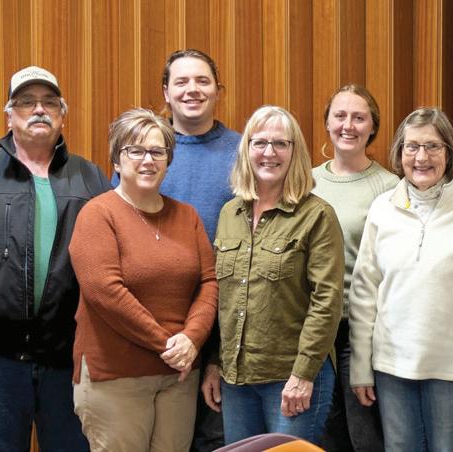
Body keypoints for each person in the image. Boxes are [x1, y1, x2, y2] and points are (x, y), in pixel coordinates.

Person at [349, 107, 453, 451]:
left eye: (433, 146)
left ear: (449, 152)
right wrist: (361, 367)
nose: (421, 157)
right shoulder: (382, 208)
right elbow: (364, 294)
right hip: (392, 369)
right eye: (412, 147)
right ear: (400, 153)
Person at [69, 108, 218, 451]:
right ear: (116, 160)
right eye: (135, 150)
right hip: (116, 375)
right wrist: (168, 345)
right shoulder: (97, 214)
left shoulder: (187, 216)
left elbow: (208, 283)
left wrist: (192, 339)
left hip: (178, 376)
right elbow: (105, 292)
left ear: (168, 160)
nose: (147, 160)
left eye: (157, 151)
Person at [0, 66, 110, 451]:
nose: (39, 109)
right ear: (9, 115)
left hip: (67, 359)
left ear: (62, 114)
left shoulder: (89, 177)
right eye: (26, 102)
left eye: (49, 102)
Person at [203, 105, 344, 445]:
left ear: (295, 152)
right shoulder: (230, 213)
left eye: (281, 143)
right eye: (260, 143)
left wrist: (303, 374)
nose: (269, 152)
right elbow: (223, 299)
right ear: (247, 149)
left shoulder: (317, 215)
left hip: (292, 377)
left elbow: (327, 301)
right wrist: (214, 363)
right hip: (236, 379)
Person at [158, 48, 241, 452]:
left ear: (218, 90)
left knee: (216, 440)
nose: (192, 89)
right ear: (166, 93)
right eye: (182, 81)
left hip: (224, 322)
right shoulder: (146, 149)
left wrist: (217, 355)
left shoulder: (243, 151)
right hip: (158, 326)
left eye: (202, 81)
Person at [313, 85, 398, 452]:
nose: (348, 125)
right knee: (323, 434)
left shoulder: (390, 186)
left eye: (359, 118)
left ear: (372, 126)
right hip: (315, 329)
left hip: (362, 330)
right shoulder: (306, 181)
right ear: (327, 123)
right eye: (340, 116)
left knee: (365, 436)